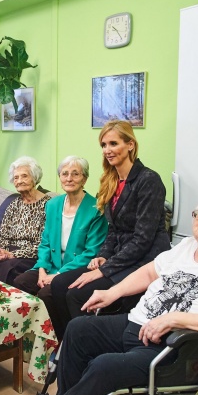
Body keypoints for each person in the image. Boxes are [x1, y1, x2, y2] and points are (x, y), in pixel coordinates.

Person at [13, 192, 198, 395]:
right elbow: (149, 273)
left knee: (105, 366)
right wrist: (112, 292)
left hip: (178, 348)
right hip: (137, 325)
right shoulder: (187, 246)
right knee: (79, 329)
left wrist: (175, 319)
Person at [50, 120, 170, 336]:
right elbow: (113, 230)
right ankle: (65, 344)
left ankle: (88, 345)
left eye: (113, 144)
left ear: (130, 144)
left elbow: (143, 239)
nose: (107, 150)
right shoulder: (111, 180)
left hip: (145, 260)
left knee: (76, 294)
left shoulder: (148, 180)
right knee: (58, 284)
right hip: (119, 257)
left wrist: (105, 269)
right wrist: (103, 256)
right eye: (104, 145)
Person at [13, 156, 107, 339]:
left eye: (75, 174)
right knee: (21, 282)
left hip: (75, 269)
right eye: (65, 174)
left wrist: (56, 275)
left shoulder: (96, 209)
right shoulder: (53, 205)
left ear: (85, 179)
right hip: (51, 266)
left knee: (46, 293)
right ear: (60, 177)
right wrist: (41, 270)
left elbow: (91, 252)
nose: (69, 178)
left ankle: (59, 339)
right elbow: (45, 242)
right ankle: (32, 338)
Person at [0, 156, 51, 286]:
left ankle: (12, 303)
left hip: (32, 255)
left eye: (24, 176)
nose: (19, 181)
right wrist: (1, 250)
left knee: (9, 268)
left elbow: (44, 243)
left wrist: (11, 254)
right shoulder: (14, 204)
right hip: (10, 251)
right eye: (16, 178)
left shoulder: (49, 205)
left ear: (35, 178)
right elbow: (3, 234)